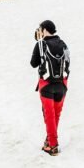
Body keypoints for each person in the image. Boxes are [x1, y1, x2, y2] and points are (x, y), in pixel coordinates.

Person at [30, 19, 70, 156]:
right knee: (55, 115)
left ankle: (53, 146)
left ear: (45, 30)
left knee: (49, 116)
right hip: (62, 85)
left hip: (46, 85)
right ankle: (49, 141)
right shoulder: (63, 44)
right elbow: (67, 64)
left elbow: (33, 64)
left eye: (40, 29)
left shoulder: (41, 44)